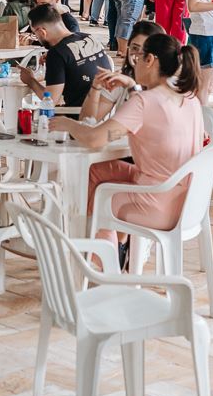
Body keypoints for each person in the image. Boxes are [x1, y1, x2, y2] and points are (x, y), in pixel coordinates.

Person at [51, 33, 203, 258]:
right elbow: (150, 114)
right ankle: (109, 250)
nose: (134, 62)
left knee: (98, 195)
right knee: (96, 171)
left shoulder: (144, 102)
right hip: (189, 201)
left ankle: (102, 261)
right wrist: (134, 88)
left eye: (138, 57)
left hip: (157, 205)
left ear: (150, 60)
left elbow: (95, 139)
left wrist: (66, 123)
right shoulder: (190, 98)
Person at [20, 4, 110, 111]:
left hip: (81, 116)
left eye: (34, 33)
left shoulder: (57, 53)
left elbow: (51, 100)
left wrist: (31, 81)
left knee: (28, 115)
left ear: (42, 32)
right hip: (107, 110)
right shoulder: (88, 37)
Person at [79, 20, 164, 123]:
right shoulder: (121, 78)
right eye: (135, 48)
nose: (138, 55)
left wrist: (132, 86)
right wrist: (96, 87)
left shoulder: (166, 84)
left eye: (146, 50)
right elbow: (87, 121)